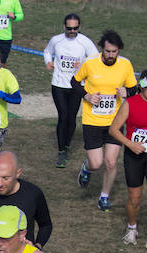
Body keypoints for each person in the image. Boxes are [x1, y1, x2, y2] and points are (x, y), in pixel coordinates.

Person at [72, 29, 138, 212]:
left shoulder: (125, 65)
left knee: (110, 162)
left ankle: (104, 196)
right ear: (102, 49)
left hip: (114, 122)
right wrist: (87, 96)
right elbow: (74, 83)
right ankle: (87, 168)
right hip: (92, 120)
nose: (110, 55)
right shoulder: (90, 63)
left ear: (119, 51)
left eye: (114, 52)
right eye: (107, 51)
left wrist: (128, 92)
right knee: (97, 163)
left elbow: (134, 89)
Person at [108, 69, 147, 253]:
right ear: (140, 87)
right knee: (135, 199)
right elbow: (113, 129)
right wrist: (130, 144)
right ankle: (132, 227)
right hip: (134, 156)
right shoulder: (130, 104)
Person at [43, 13, 97, 168]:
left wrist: (82, 64)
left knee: (72, 117)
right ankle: (61, 151)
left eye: (75, 28)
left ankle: (66, 145)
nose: (72, 31)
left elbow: (95, 58)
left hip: (76, 86)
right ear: (64, 27)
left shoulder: (85, 42)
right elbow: (47, 51)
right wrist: (48, 61)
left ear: (79, 27)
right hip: (58, 84)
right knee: (63, 115)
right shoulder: (56, 40)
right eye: (69, 28)